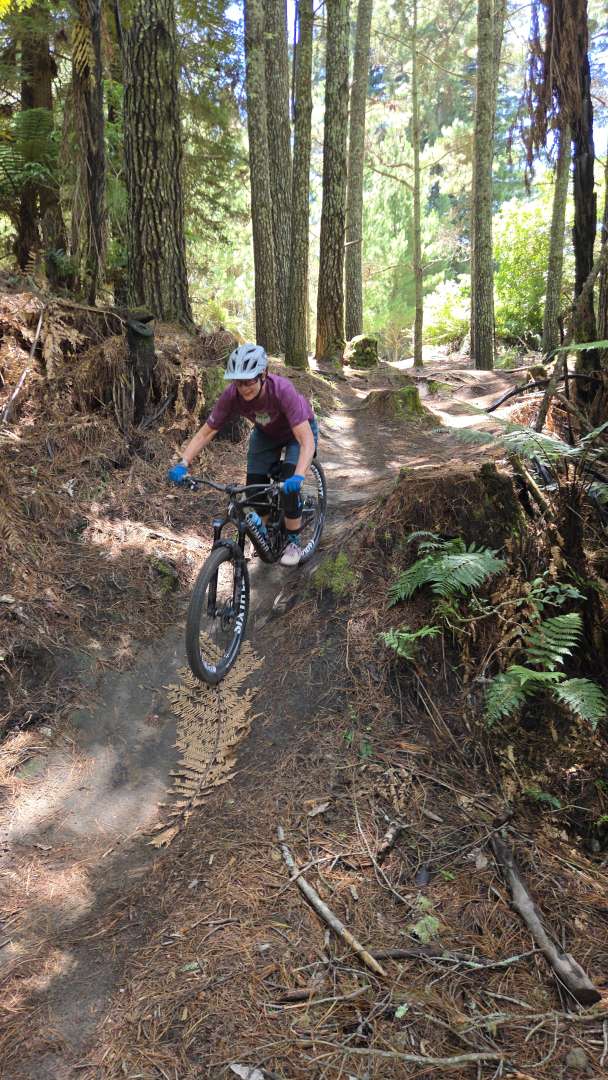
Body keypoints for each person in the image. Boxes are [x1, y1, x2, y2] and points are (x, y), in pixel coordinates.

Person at [167, 343, 318, 567]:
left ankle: (293, 541)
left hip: (298, 432)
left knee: (289, 484)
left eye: (249, 382)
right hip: (266, 433)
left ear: (263, 375)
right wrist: (183, 462)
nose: (244, 388)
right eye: (239, 383)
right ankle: (264, 537)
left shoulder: (282, 390)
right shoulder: (231, 396)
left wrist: (298, 477)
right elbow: (206, 432)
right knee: (254, 492)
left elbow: (306, 441)